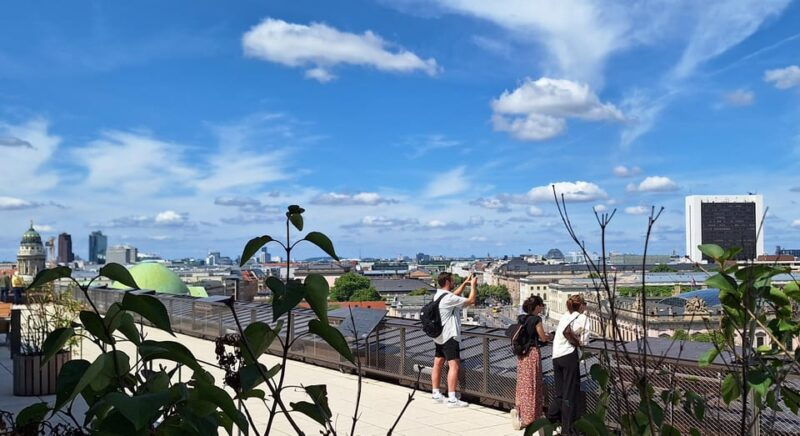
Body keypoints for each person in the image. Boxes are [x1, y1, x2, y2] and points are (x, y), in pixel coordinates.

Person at [431, 272, 477, 408]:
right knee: (454, 366)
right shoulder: (449, 298)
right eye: (452, 281)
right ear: (447, 281)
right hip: (450, 335)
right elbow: (471, 301)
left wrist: (464, 283)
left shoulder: (438, 295)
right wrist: (473, 286)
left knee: (438, 362)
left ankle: (436, 393)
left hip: (439, 336)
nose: (454, 283)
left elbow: (454, 295)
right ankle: (452, 398)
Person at [547, 294, 590, 434]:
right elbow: (584, 340)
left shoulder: (565, 315)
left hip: (556, 355)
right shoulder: (582, 317)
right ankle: (567, 429)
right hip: (569, 355)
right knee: (570, 394)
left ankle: (552, 417)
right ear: (582, 305)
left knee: (560, 391)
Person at [511, 295, 552, 430]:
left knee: (523, 383)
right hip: (532, 353)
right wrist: (549, 336)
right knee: (533, 384)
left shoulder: (521, 318)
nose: (542, 308)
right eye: (541, 305)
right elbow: (542, 337)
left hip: (522, 355)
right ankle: (529, 417)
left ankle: (520, 410)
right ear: (537, 307)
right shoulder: (536, 319)